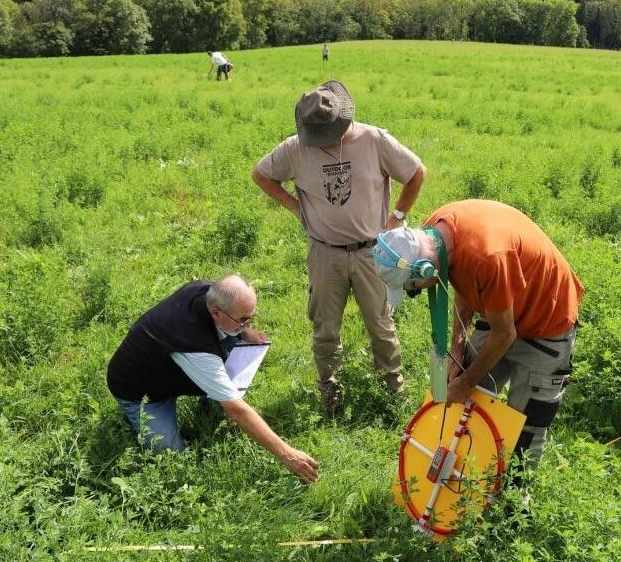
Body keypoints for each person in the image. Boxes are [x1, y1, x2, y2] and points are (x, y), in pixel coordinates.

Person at [251, 80, 426, 414]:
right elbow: (261, 175)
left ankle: (391, 390)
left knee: (381, 324)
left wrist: (398, 216)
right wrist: (293, 206)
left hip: (370, 251)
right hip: (325, 252)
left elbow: (416, 172)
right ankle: (329, 390)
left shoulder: (373, 139)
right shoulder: (295, 148)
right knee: (325, 327)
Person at [373, 199, 584, 471]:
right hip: (500, 308)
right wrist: (457, 346)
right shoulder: (433, 234)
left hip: (546, 321)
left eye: (413, 288)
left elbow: (505, 334)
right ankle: (469, 481)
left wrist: (466, 383)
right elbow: (462, 278)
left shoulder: (487, 256)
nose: (416, 292)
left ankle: (516, 505)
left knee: (526, 429)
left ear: (425, 267)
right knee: (461, 395)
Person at [106, 275, 319, 483]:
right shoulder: (195, 345)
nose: (248, 323)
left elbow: (232, 323)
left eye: (252, 316)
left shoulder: (208, 291)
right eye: (244, 319)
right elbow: (236, 409)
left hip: (171, 365)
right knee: (169, 456)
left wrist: (245, 332)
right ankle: (203, 401)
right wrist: (287, 454)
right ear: (215, 312)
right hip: (143, 391)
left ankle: (211, 400)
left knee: (232, 349)